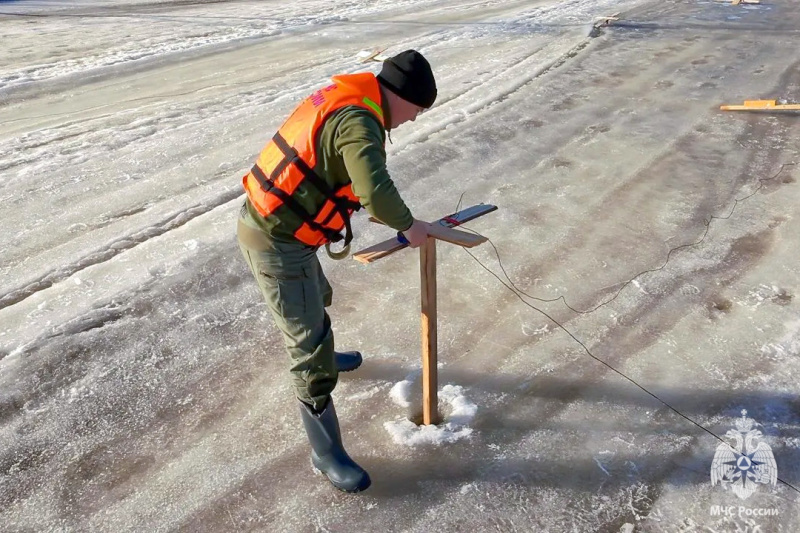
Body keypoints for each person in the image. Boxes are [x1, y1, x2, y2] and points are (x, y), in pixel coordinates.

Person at [236, 50, 437, 493]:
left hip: (287, 231)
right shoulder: (359, 121)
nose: (414, 120)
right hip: (276, 240)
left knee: (318, 297)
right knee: (308, 348)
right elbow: (374, 190)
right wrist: (410, 226)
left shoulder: (354, 101)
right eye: (418, 110)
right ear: (401, 96)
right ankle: (325, 453)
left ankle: (325, 352)